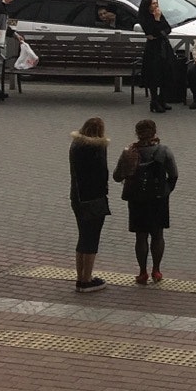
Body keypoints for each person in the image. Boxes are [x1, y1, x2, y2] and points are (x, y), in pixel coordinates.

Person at [114, 115, 178, 284]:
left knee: (140, 236)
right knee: (158, 235)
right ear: (154, 132)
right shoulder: (164, 151)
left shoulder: (129, 152)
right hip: (158, 198)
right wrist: (166, 190)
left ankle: (142, 272)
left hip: (136, 198)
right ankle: (156, 270)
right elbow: (173, 175)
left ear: (137, 133)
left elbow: (117, 176)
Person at [69, 117, 111, 292]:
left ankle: (80, 277)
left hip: (77, 197)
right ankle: (87, 280)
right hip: (94, 199)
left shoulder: (75, 145)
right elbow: (103, 174)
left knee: (83, 237)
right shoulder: (97, 148)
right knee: (92, 239)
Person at [137, 0, 176, 116]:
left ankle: (162, 99)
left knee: (166, 72)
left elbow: (167, 29)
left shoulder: (159, 14)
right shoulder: (145, 17)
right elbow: (151, 31)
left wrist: (160, 31)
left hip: (163, 47)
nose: (156, 5)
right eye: (153, 3)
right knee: (154, 74)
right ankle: (154, 101)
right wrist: (157, 21)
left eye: (156, 3)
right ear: (147, 5)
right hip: (153, 49)